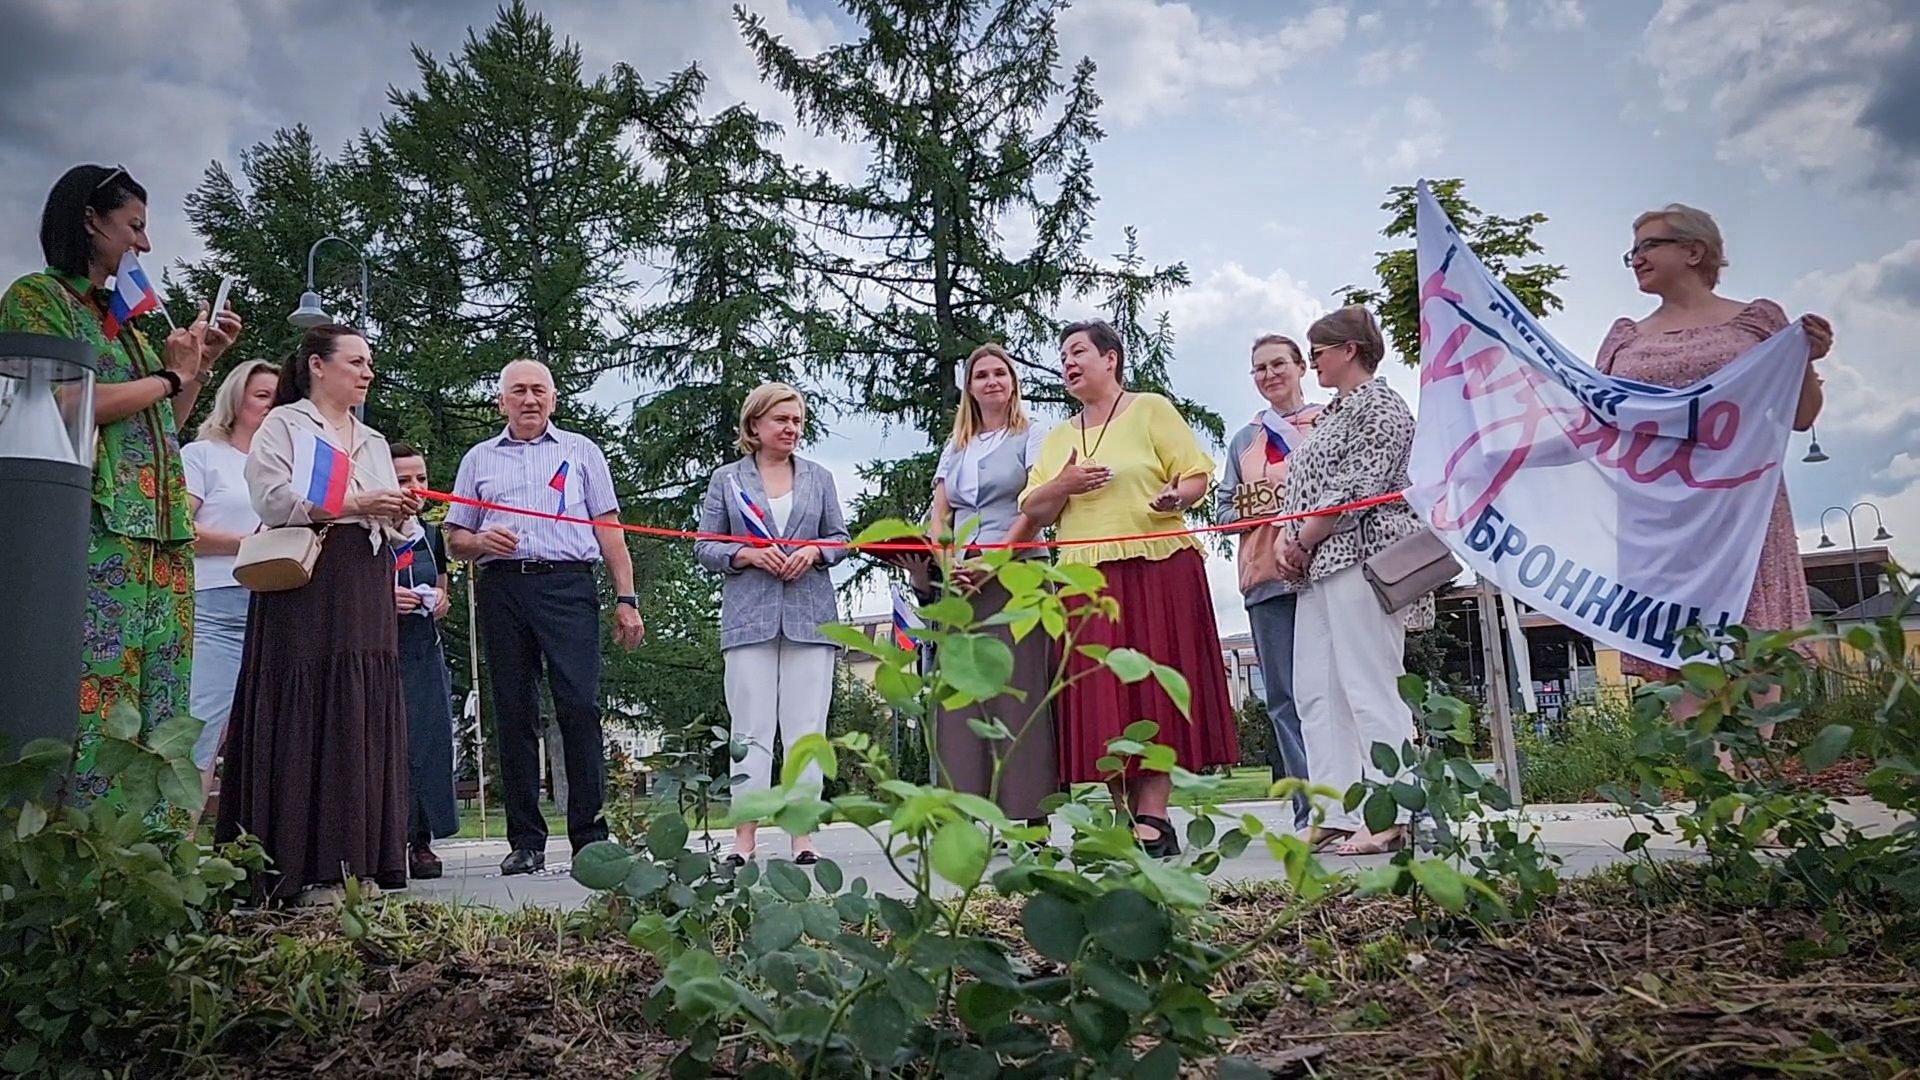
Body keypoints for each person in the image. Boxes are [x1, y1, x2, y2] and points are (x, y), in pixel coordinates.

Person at [0, 164, 241, 808]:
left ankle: (152, 846)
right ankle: (82, 840)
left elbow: (166, 422)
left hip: (162, 532)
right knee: (97, 685)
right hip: (98, 527)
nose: (145, 244)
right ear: (90, 219)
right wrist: (165, 376)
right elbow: (64, 402)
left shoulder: (125, 324)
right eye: (134, 226)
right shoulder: (38, 297)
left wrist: (196, 369)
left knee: (162, 696)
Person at [1596, 203, 1832, 706]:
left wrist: (1805, 359)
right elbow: (1599, 418)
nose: (1635, 259)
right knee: (1681, 644)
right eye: (1631, 251)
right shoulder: (1624, 337)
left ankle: (1752, 771)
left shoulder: (1756, 321)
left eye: (1648, 246)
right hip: (1659, 516)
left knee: (1754, 643)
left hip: (1742, 506)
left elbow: (1801, 416)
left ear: (1694, 251)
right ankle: (1714, 777)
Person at [1019, 320, 1238, 858]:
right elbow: (1035, 509)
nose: (1068, 363)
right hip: (1086, 577)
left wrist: (1176, 498)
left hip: (1157, 568)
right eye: (1063, 356)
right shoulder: (1058, 438)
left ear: (1110, 358)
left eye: (1078, 352)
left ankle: (1154, 816)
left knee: (1155, 690)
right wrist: (1063, 484)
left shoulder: (1151, 409)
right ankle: (1122, 815)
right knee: (1103, 695)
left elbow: (1193, 475)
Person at [216, 325, 418, 906]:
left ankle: (363, 862)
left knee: (360, 710)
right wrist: (359, 503)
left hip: (365, 579)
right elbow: (272, 499)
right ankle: (307, 869)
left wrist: (401, 511)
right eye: (356, 361)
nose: (367, 372)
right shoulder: (285, 424)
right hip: (307, 583)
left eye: (370, 363)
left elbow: (391, 520)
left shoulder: (374, 439)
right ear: (317, 366)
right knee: (313, 708)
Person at [444, 359, 645, 876]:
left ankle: (590, 837)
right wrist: (479, 540)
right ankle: (526, 840)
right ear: (501, 401)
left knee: (579, 704)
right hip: (503, 587)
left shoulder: (581, 451)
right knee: (513, 711)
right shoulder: (479, 459)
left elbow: (609, 528)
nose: (529, 400)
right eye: (518, 391)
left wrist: (628, 599)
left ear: (553, 400)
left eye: (538, 391)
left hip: (568, 584)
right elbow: (455, 537)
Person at [1275, 306, 1426, 856]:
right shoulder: (1333, 413)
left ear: (1349, 350)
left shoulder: (1382, 407)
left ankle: (1393, 811)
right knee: (1318, 690)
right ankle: (1335, 810)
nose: (1312, 359)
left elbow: (1356, 488)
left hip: (1361, 557)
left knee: (1369, 683)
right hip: (1317, 567)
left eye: (1318, 350)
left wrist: (1302, 538)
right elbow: (1304, 488)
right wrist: (1287, 540)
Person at [694, 382, 850, 866]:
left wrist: (813, 551)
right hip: (749, 619)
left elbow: (840, 539)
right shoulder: (728, 480)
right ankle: (744, 837)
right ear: (755, 425)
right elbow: (706, 546)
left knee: (806, 731)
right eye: (781, 419)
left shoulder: (820, 478)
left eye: (797, 420)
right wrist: (746, 554)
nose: (791, 428)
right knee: (751, 730)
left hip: (809, 618)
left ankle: (801, 836)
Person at [918, 344, 1057, 826]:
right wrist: (948, 559)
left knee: (1019, 691)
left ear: (1013, 382)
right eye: (982, 375)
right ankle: (966, 813)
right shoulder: (956, 446)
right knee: (961, 696)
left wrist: (994, 561)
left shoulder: (1034, 435)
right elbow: (940, 514)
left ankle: (1030, 815)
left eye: (1001, 372)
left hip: (1017, 572)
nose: (992, 381)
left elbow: (1036, 508)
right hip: (963, 578)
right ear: (969, 387)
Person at [1214, 334, 1324, 835]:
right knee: (1284, 696)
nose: (1269, 374)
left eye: (1279, 363)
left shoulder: (1328, 421)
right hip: (1266, 578)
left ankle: (1362, 799)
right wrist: (1255, 510)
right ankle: (1309, 808)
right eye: (1259, 368)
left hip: (1329, 570)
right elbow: (1223, 510)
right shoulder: (1245, 441)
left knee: (1339, 688)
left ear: (1301, 366)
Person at [182, 359, 277, 806]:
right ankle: (176, 850)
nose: (271, 405)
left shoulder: (284, 467)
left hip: (277, 603)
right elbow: (183, 530)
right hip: (216, 603)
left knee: (270, 739)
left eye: (279, 397)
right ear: (235, 399)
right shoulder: (202, 455)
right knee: (201, 732)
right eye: (262, 395)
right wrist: (249, 544)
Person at [390, 442, 459, 879]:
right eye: (403, 480)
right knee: (387, 741)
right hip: (380, 648)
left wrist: (439, 601)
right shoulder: (367, 530)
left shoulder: (430, 534)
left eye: (421, 478)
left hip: (423, 646)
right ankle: (386, 838)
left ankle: (423, 839)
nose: (415, 488)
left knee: (428, 741)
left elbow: (442, 586)